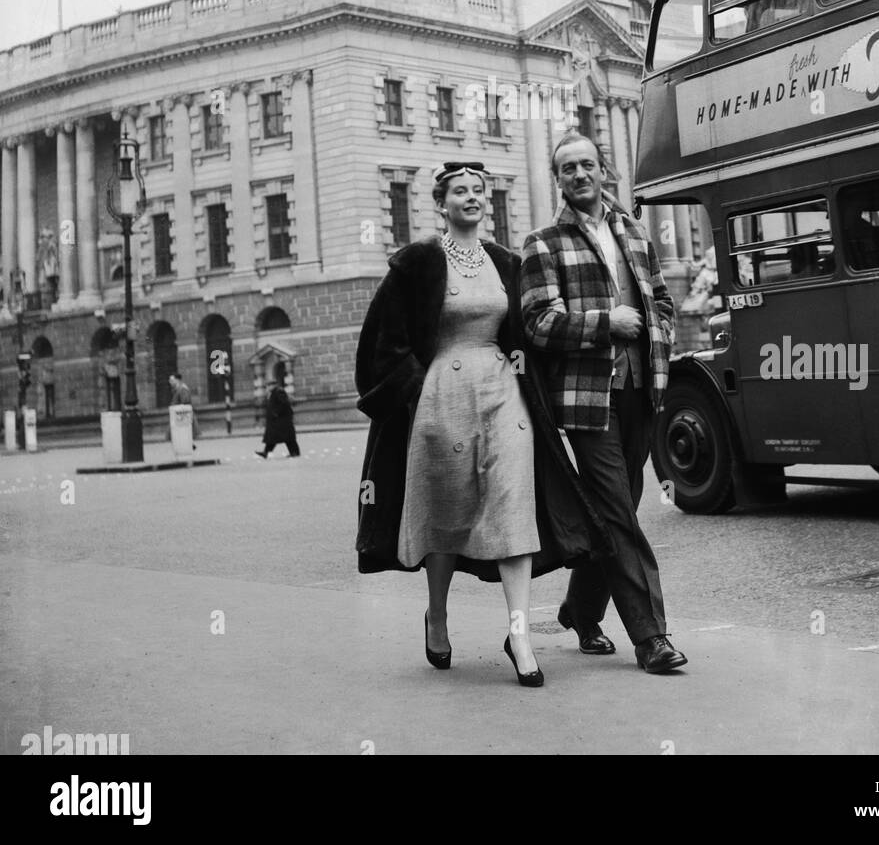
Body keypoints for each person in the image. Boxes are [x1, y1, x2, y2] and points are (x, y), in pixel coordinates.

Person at [355, 161, 610, 688]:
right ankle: (439, 616)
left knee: (514, 506)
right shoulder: (417, 263)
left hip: (503, 393)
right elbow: (383, 338)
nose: (472, 198)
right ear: (441, 204)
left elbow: (527, 332)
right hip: (440, 399)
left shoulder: (506, 263)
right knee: (446, 514)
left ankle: (519, 633)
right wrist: (411, 390)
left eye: (479, 190)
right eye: (460, 192)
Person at [520, 132, 688, 674]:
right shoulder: (542, 243)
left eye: (587, 164)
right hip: (587, 402)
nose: (579, 175)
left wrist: (654, 332)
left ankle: (579, 608)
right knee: (618, 510)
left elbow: (661, 300)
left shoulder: (633, 232)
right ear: (559, 179)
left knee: (618, 507)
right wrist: (604, 325)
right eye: (567, 168)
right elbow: (537, 323)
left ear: (602, 170)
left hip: (642, 388)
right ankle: (651, 637)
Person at [256, 376, 300, 458]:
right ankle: (266, 452)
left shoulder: (279, 392)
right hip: (278, 421)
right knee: (273, 437)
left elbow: (284, 404)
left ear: (273, 385)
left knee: (286, 438)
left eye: (269, 385)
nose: (267, 387)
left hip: (281, 421)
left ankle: (295, 452)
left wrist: (276, 413)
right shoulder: (274, 392)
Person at [168, 371, 199, 448]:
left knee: (183, 432)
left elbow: (185, 402)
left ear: (177, 380)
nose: (170, 382)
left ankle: (187, 446)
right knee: (181, 433)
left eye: (172, 380)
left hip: (181, 416)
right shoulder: (177, 389)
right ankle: (187, 445)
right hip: (179, 416)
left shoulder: (182, 389)